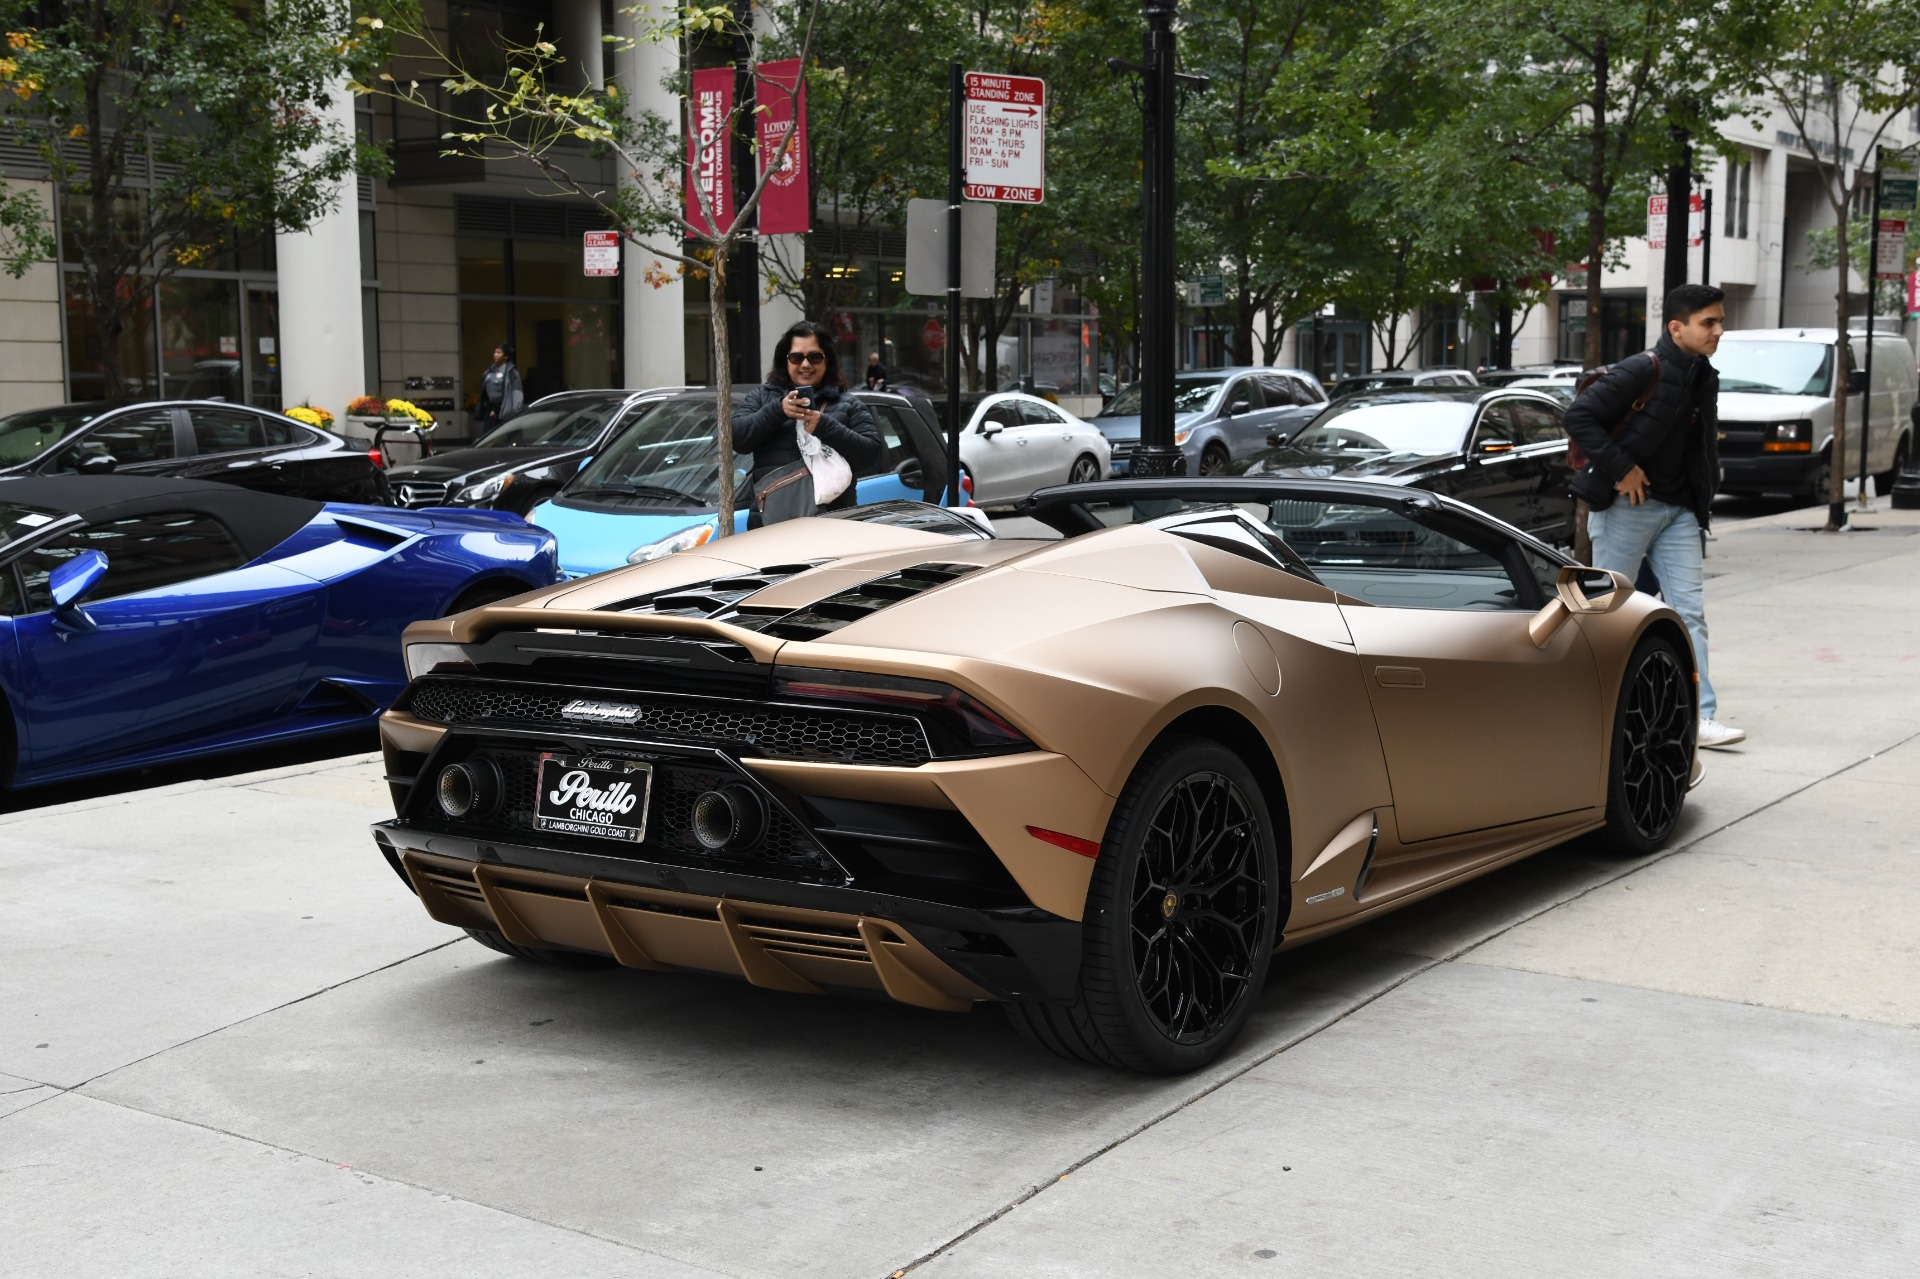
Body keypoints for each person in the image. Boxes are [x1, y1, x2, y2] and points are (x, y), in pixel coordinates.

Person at [1565, 283, 1743, 749]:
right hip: (1628, 508)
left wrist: (1704, 494)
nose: (1718, 330)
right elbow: (1579, 417)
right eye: (1709, 322)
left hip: (1680, 511)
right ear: (1676, 327)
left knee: (1689, 613)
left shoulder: (1703, 374)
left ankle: (1698, 718)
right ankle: (1592, 713)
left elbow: (1700, 444)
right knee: (1607, 613)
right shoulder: (1643, 368)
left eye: (1720, 321)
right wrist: (1622, 469)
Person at [732, 321, 884, 527]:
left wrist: (824, 426)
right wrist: (778, 411)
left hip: (831, 525)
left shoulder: (848, 404)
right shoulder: (762, 397)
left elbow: (872, 455)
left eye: (815, 357)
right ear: (784, 360)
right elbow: (737, 438)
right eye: (796, 357)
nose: (805, 365)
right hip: (769, 525)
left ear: (827, 361)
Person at [474, 342, 524, 431]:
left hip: (505, 412)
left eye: (499, 353)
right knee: (488, 437)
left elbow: (517, 394)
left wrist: (516, 412)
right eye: (495, 352)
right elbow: (484, 392)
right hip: (490, 410)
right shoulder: (489, 372)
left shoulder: (512, 373)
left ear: (506, 356)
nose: (495, 355)